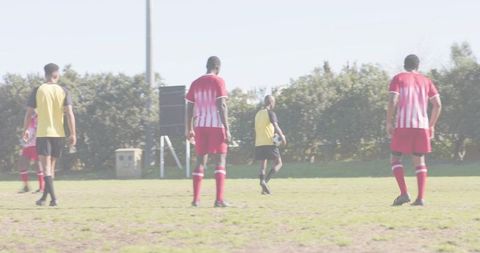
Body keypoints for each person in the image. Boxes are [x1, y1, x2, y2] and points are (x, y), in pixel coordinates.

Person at [387, 54, 442, 206]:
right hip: (422, 125)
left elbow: (392, 100)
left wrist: (389, 122)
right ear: (418, 66)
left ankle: (404, 193)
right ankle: (420, 198)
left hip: (403, 125)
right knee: (419, 160)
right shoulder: (426, 81)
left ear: (404, 65)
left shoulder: (398, 78)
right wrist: (431, 125)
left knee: (395, 158)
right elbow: (437, 104)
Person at [23, 63, 76, 207]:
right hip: (59, 134)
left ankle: (54, 199)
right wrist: (73, 134)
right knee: (51, 169)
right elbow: (70, 113)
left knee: (45, 169)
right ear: (56, 74)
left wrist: (25, 130)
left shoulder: (38, 90)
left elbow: (29, 113)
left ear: (45, 74)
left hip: (43, 133)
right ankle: (43, 199)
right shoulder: (64, 90)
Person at [185, 56, 230, 208]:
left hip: (200, 126)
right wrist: (227, 129)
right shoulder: (219, 81)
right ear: (217, 67)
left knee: (200, 162)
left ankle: (196, 200)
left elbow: (189, 108)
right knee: (220, 161)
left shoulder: (195, 83)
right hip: (216, 126)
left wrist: (189, 128)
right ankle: (219, 200)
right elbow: (221, 105)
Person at [254, 95, 286, 194]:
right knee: (279, 163)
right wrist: (282, 137)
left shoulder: (258, 114)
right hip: (269, 143)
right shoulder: (270, 113)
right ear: (271, 103)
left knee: (263, 166)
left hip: (259, 143)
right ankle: (265, 182)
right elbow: (276, 126)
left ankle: (263, 185)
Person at [17, 113, 44, 194]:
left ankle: (41, 188)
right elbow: (27, 131)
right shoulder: (30, 118)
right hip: (27, 146)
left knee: (38, 165)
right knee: (22, 164)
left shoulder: (40, 116)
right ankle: (26, 187)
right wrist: (23, 143)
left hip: (36, 145)